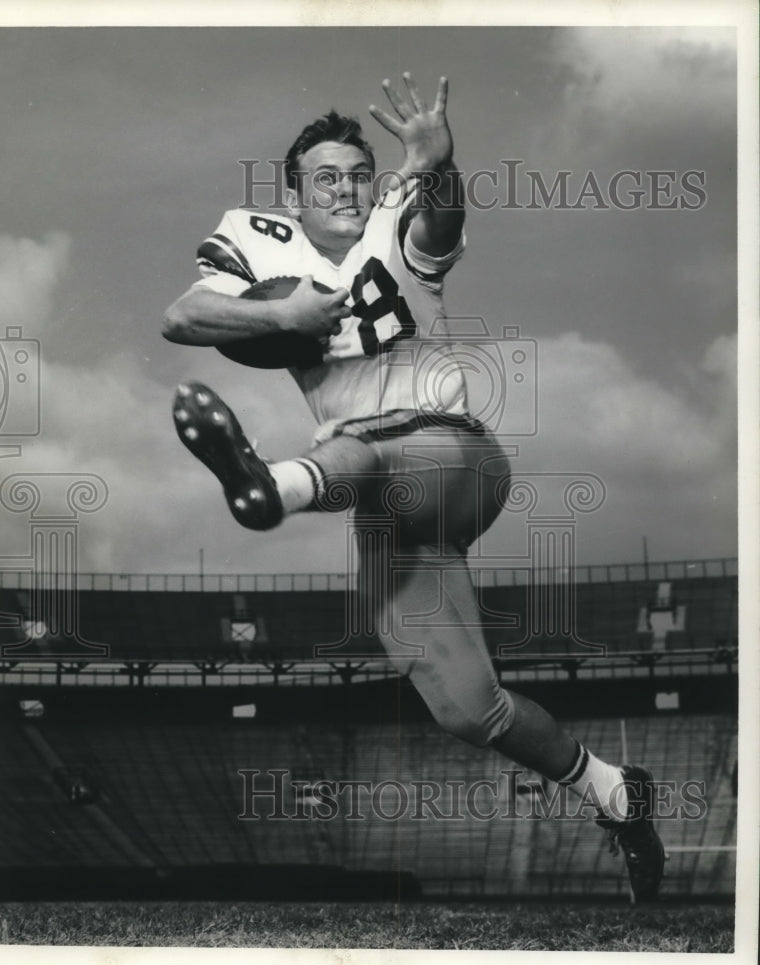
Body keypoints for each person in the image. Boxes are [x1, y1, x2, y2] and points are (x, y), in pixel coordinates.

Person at [163, 74, 665, 901]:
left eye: (360, 175)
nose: (348, 190)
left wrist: (436, 162)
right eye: (328, 177)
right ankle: (616, 791)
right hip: (386, 506)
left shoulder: (396, 220)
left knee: (356, 446)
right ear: (293, 193)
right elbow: (184, 316)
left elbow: (441, 218)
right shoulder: (259, 242)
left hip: (450, 456)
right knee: (470, 710)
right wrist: (281, 319)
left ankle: (272, 484)